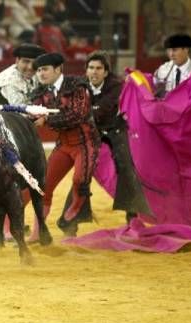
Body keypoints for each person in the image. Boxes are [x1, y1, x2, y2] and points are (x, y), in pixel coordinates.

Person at [63, 51, 152, 225]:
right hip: (91, 132)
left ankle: (132, 215)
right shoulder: (79, 86)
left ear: (106, 72)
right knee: (82, 172)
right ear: (86, 70)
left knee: (126, 166)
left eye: (98, 68)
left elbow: (102, 108)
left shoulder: (116, 85)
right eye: (91, 68)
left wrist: (81, 112)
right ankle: (72, 219)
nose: (94, 72)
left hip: (114, 129)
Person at [30, 52, 100, 236]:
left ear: (58, 69)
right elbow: (34, 112)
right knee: (43, 186)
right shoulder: (40, 92)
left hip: (86, 143)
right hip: (63, 144)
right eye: (38, 70)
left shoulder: (77, 86)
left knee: (80, 180)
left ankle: (72, 214)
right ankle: (37, 233)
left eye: (44, 69)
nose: (41, 74)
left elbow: (77, 115)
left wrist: (46, 120)